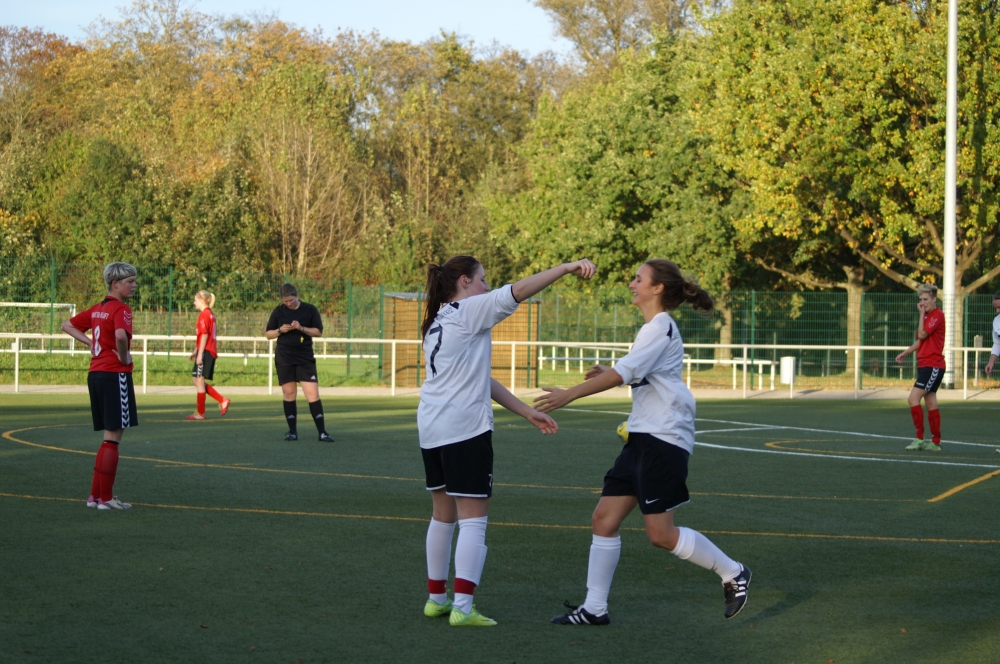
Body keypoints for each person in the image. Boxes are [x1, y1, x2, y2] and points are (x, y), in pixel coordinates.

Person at [534, 259, 751, 625]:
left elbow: (626, 372)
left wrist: (569, 394)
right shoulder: (653, 329)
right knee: (604, 519)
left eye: (638, 279)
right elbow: (641, 373)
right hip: (642, 438)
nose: (632, 284)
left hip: (663, 440)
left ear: (657, 288)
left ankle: (733, 572)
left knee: (660, 535)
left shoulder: (660, 326)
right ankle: (594, 609)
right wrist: (615, 373)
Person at [419, 255, 595, 627]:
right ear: (464, 281)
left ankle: (437, 599)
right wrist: (565, 268)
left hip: (432, 427)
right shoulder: (468, 311)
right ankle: (463, 608)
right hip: (464, 428)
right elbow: (516, 291)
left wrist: (526, 411)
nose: (487, 286)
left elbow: (479, 378)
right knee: (473, 520)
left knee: (442, 515)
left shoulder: (437, 320)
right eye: (483, 279)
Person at [61, 262, 139, 510]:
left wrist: (92, 345)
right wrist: (124, 357)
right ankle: (106, 498)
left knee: (108, 437)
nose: (134, 286)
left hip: (95, 373)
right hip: (115, 374)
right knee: (113, 437)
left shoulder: (98, 309)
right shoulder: (121, 309)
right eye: (130, 281)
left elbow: (67, 325)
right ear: (115, 284)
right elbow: (120, 336)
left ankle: (95, 496)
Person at [265, 283, 333, 442]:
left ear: (297, 296)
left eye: (291, 300)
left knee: (313, 394)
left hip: (304, 358)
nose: (288, 304)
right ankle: (292, 432)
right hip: (284, 357)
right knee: (289, 393)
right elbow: (268, 334)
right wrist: (280, 330)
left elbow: (318, 332)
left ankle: (322, 432)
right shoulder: (278, 311)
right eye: (285, 301)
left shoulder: (310, 309)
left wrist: (301, 328)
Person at [895, 283, 945, 452]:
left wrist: (921, 315)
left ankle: (920, 439)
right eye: (920, 300)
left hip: (933, 365)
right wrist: (906, 352)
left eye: (925, 299)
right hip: (926, 364)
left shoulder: (937, 315)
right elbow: (921, 340)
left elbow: (922, 334)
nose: (922, 303)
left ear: (934, 299)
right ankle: (935, 442)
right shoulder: (928, 316)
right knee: (930, 402)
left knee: (912, 399)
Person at [186, 290, 231, 420]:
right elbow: (203, 335)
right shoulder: (210, 314)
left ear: (202, 300)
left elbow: (205, 335)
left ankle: (201, 413)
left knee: (199, 381)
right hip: (205, 350)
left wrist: (200, 354)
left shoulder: (204, 314)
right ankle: (222, 400)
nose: (194, 302)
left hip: (206, 351)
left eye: (195, 300)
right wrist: (195, 351)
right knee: (197, 380)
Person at [984, 290, 1000, 378]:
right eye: (996, 308)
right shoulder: (997, 321)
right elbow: (997, 343)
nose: (997, 310)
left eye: (999, 307)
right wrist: (991, 362)